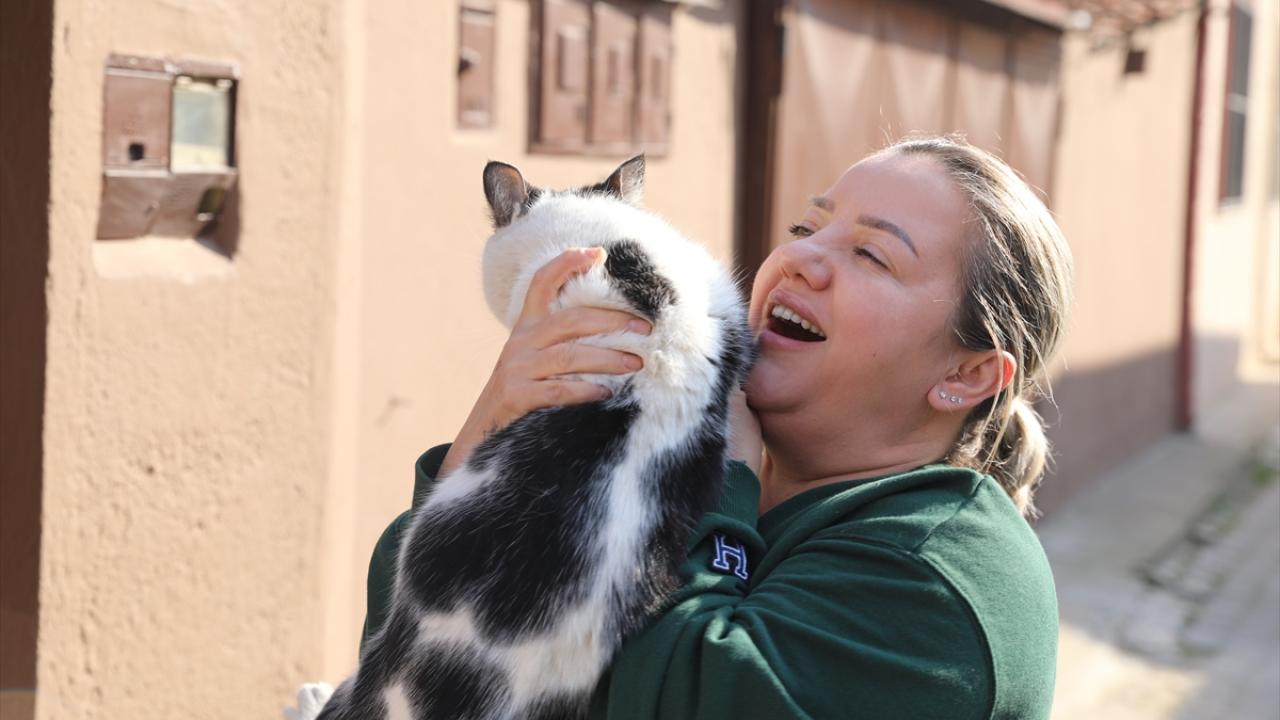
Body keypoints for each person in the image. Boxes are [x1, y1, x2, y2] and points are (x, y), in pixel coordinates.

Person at [358, 135, 1071, 719]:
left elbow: (679, 695)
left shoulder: (937, 582)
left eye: (871, 253)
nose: (801, 259)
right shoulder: (700, 468)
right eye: (809, 226)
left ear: (967, 376)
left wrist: (714, 469)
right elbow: (416, 651)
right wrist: (498, 424)